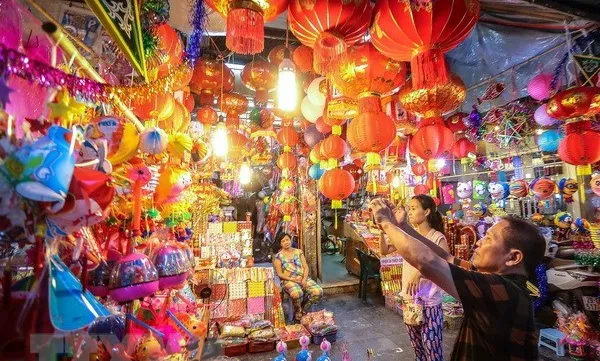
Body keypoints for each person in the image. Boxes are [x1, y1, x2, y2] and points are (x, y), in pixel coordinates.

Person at [370, 198, 545, 361]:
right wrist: (404, 227)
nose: (479, 242)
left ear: (513, 257)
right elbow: (445, 257)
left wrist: (385, 222)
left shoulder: (506, 291)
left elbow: (427, 261)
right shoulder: (495, 279)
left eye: (489, 239)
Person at [380, 195, 448, 361]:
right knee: (418, 350)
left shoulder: (437, 237)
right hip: (410, 301)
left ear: (426, 211)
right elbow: (384, 250)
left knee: (433, 350)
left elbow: (444, 265)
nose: (409, 212)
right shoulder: (407, 236)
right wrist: (382, 230)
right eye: (408, 208)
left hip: (429, 303)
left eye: (413, 208)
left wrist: (419, 273)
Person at [273, 232, 323, 320]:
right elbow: (280, 274)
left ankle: (303, 308)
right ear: (280, 244)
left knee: (318, 291)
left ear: (290, 240)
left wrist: (304, 279)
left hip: (302, 278)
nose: (286, 242)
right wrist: (292, 279)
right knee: (296, 293)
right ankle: (298, 310)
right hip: (288, 280)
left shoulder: (299, 252)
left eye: (287, 240)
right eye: (283, 241)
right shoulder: (278, 257)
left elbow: (306, 267)